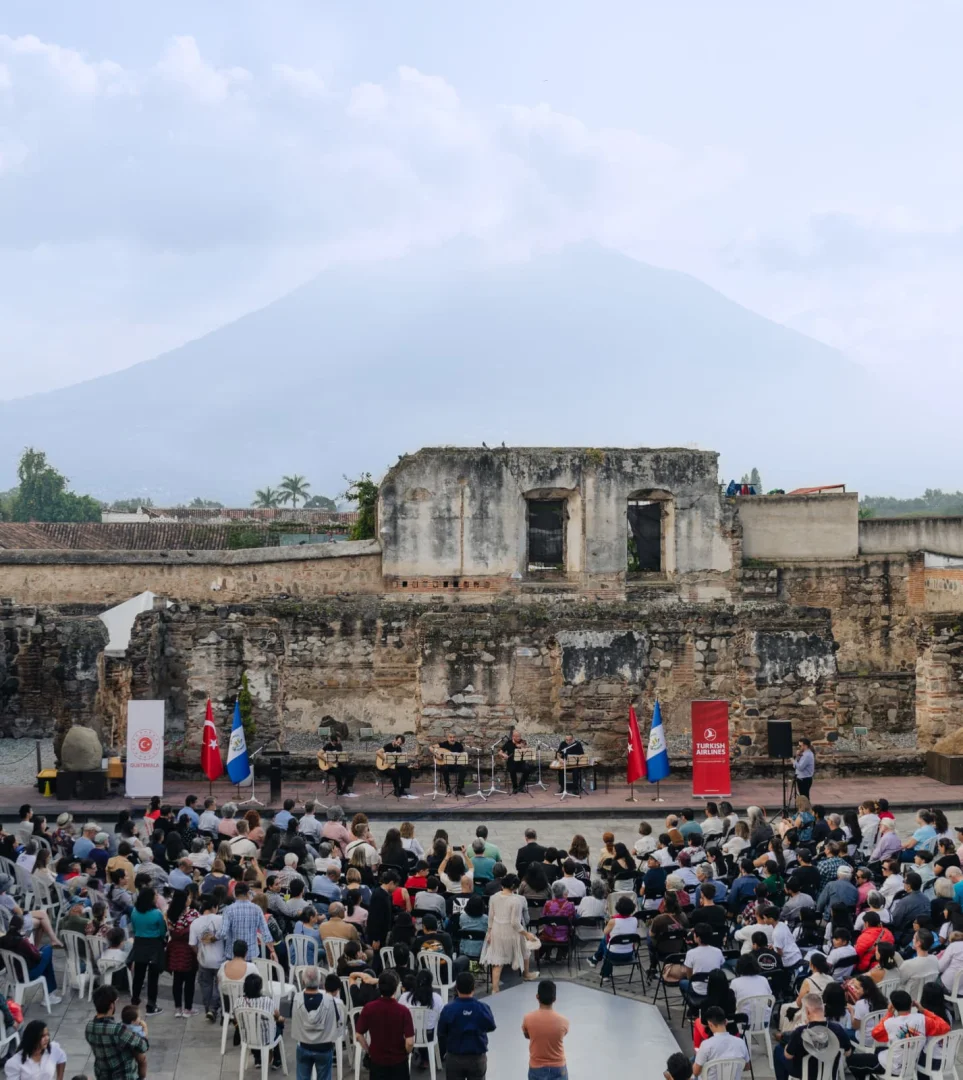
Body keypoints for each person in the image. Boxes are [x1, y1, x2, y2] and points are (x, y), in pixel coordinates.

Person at [480, 873, 540, 993]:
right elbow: (515, 923)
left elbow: (490, 917)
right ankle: (526, 974)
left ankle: (495, 988)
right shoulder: (516, 901)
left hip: (496, 930)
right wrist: (526, 934)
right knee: (525, 950)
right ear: (515, 887)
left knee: (497, 960)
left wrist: (489, 932)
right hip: (511, 933)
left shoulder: (493, 897)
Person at [774, 992, 854, 1080]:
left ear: (807, 1012)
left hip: (805, 1073)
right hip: (830, 1072)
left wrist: (786, 1046)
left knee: (778, 1050)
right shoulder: (838, 1029)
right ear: (823, 1009)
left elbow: (788, 1056)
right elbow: (848, 1053)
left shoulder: (800, 1032)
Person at [355, 969, 415, 1080]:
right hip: (399, 1062)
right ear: (396, 988)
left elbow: (358, 1035)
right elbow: (410, 1042)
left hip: (377, 1061)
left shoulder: (369, 1008)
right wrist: (406, 1052)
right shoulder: (403, 1011)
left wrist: (369, 1050)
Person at [437, 971, 496, 1080]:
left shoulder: (448, 1009)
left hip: (454, 1057)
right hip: (477, 1058)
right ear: (473, 987)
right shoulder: (483, 1008)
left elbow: (441, 1032)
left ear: (456, 988)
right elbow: (491, 1026)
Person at [292, 967, 345, 1080]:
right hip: (324, 1048)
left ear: (303, 981)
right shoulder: (330, 1001)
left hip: (303, 1045)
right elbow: (338, 1026)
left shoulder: (296, 999)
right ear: (321, 982)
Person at [85, 985, 149, 1080]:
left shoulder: (89, 1027)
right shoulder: (118, 1030)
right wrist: (144, 1029)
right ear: (111, 1005)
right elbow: (143, 1046)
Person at [0, 915, 61, 1005]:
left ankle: (50, 994)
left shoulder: (2, 940)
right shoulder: (22, 942)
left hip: (11, 974)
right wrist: (31, 946)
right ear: (21, 927)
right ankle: (49, 994)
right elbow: (37, 958)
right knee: (48, 949)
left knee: (44, 951)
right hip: (26, 974)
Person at [128, 887, 166, 1015]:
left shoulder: (134, 912)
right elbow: (162, 931)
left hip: (139, 943)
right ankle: (151, 1005)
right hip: (154, 944)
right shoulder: (157, 913)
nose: (157, 897)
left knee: (138, 975)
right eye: (155, 895)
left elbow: (133, 927)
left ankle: (135, 999)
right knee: (153, 977)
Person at [521, 980, 569, 1080]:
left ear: (537, 997)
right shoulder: (564, 1021)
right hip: (559, 1067)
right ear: (554, 999)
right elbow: (562, 1035)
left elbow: (527, 1036)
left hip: (536, 1067)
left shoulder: (528, 1018)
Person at [692, 1006, 749, 1077]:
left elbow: (696, 1072)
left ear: (710, 1024)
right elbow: (747, 1066)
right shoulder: (741, 1043)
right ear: (726, 1022)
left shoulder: (706, 1045)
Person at [378, 735, 417, 799]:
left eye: (400, 744)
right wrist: (386, 759)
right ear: (395, 740)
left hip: (394, 766)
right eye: (397, 742)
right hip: (385, 767)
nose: (398, 744)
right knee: (395, 773)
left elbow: (398, 761)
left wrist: (409, 765)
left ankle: (402, 789)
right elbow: (378, 752)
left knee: (407, 771)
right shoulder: (388, 746)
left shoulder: (399, 749)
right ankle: (396, 790)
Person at [434, 731, 468, 795]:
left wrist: (463, 761)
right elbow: (432, 747)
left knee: (463, 769)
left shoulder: (459, 745)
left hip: (456, 765)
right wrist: (437, 755)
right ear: (447, 738)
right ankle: (448, 786)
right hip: (446, 765)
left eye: (454, 737)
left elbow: (462, 756)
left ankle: (459, 788)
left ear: (455, 738)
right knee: (444, 768)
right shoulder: (444, 744)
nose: (452, 739)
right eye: (450, 737)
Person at [500, 730, 533, 794]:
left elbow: (527, 748)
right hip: (511, 763)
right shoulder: (508, 743)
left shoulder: (523, 742)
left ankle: (521, 786)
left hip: (521, 763)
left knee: (528, 769)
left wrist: (523, 747)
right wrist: (504, 755)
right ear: (513, 737)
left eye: (519, 736)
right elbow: (500, 752)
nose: (519, 738)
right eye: (517, 737)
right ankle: (515, 787)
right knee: (512, 770)